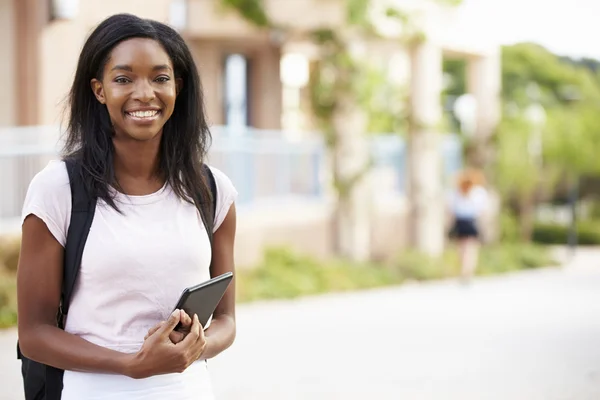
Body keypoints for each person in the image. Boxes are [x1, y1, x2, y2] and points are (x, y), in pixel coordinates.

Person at [16, 13, 238, 399]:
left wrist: (195, 346)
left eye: (160, 77)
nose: (145, 93)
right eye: (123, 79)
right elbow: (33, 335)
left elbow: (227, 321)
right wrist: (130, 365)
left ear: (178, 87)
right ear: (99, 90)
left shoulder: (212, 190)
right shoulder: (58, 189)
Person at [448, 168, 488, 283]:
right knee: (470, 248)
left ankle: (465, 270)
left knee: (463, 248)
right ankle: (467, 270)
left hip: (462, 221)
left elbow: (452, 210)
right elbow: (482, 210)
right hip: (469, 221)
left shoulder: (459, 192)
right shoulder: (476, 192)